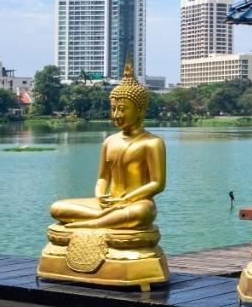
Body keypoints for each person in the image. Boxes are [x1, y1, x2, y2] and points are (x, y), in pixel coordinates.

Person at [49, 60, 166, 230]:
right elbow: (103, 178)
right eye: (113, 108)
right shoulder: (109, 141)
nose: (116, 114)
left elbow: (157, 183)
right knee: (58, 208)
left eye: (122, 109)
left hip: (137, 202)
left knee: (141, 213)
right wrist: (100, 195)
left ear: (140, 109)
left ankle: (94, 223)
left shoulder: (152, 142)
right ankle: (107, 218)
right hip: (109, 202)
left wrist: (127, 199)